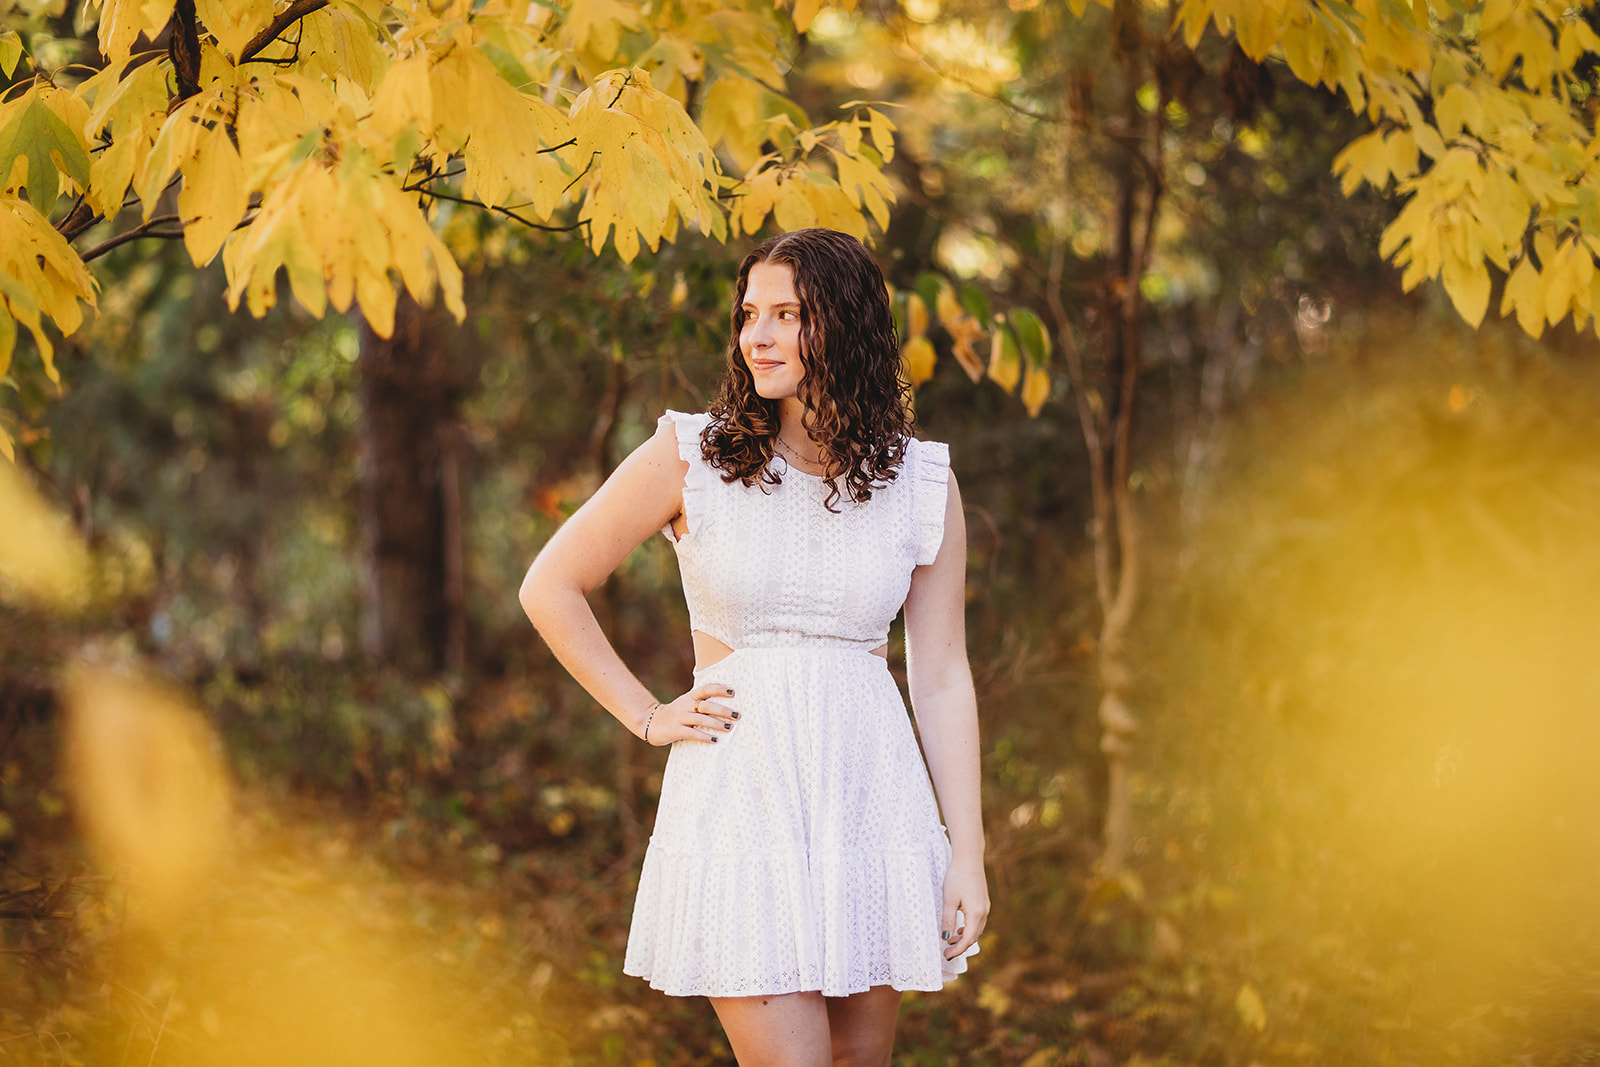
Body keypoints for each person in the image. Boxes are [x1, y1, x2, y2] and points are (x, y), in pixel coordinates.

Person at [519, 228, 988, 1067]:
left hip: (868, 805)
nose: (757, 336)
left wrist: (969, 854)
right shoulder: (692, 455)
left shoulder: (919, 481)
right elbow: (549, 584)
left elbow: (944, 676)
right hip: (744, 803)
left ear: (843, 327)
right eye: (749, 315)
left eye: (786, 314)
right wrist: (647, 714)